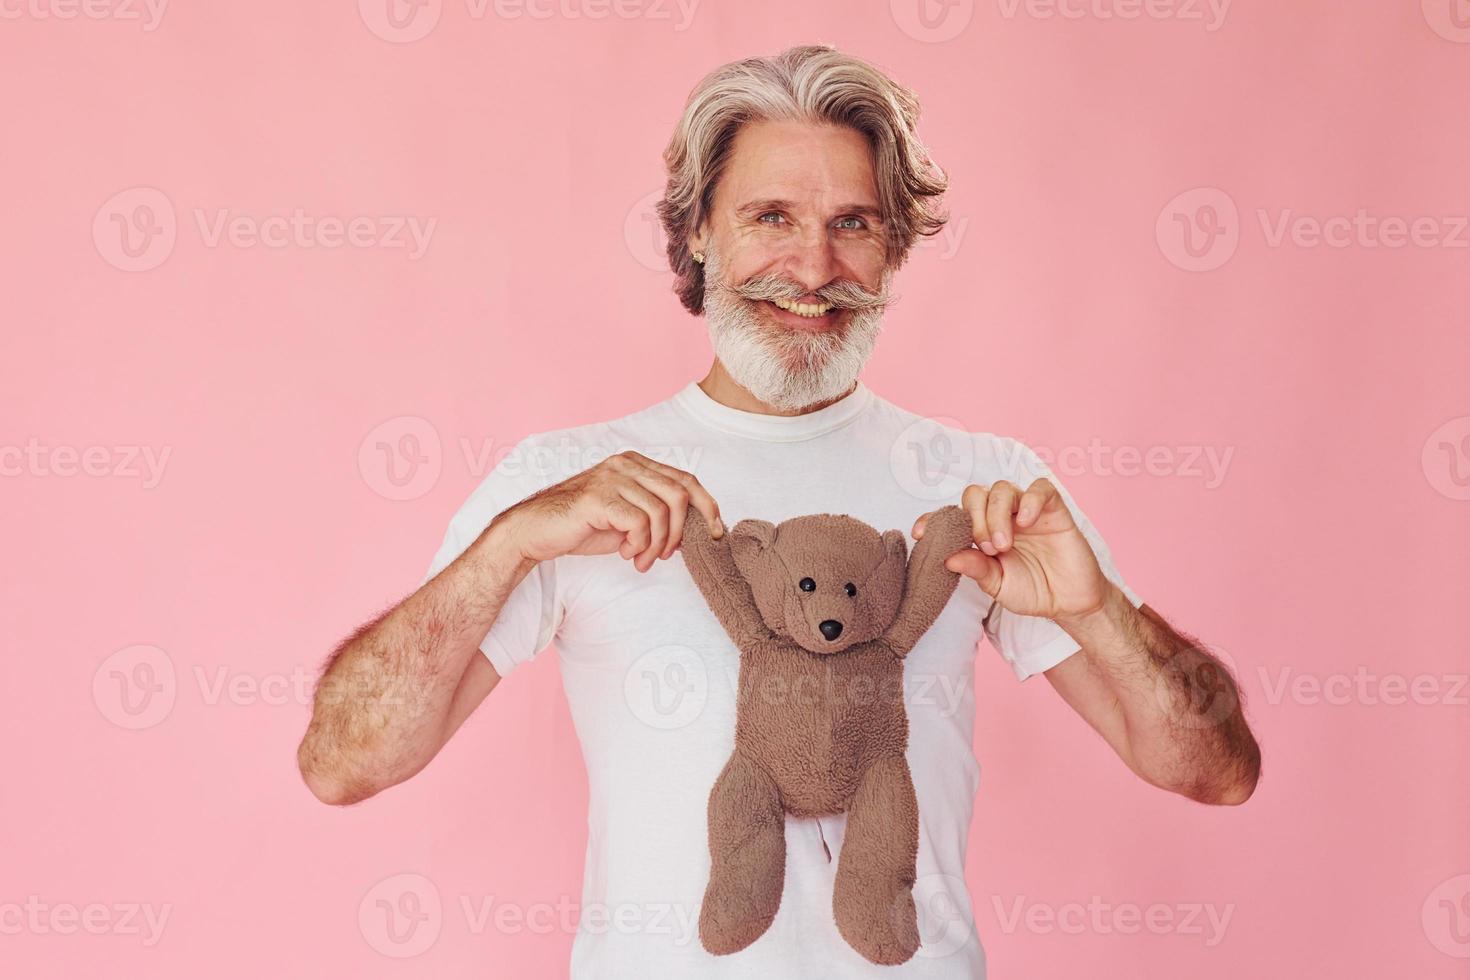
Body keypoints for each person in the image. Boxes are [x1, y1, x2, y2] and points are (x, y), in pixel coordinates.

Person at [297, 44, 1260, 979]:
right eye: (771, 216)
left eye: (854, 223)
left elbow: (1214, 771)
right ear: (700, 229)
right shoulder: (569, 484)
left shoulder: (984, 492)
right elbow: (346, 763)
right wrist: (505, 546)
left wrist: (1097, 612)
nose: (812, 267)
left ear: (893, 249)